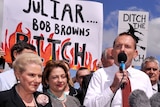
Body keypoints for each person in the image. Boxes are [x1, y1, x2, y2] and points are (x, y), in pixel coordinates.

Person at [83, 32, 153, 107]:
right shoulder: (100, 74)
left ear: (135, 53)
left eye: (127, 46)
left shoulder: (143, 78)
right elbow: (88, 105)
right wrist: (112, 88)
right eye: (118, 46)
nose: (122, 49)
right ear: (113, 52)